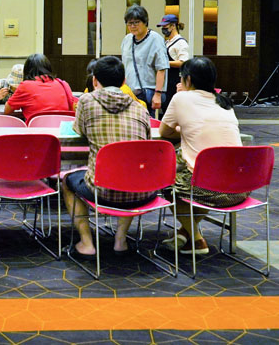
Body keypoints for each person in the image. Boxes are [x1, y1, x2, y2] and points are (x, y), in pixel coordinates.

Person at [62, 56, 152, 256]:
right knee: (130, 173)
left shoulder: (87, 101)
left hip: (101, 189)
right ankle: (120, 240)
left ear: (94, 80)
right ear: (123, 81)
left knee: (67, 180)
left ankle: (87, 243)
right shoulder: (140, 107)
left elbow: (79, 130)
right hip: (141, 190)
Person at [160, 57, 243, 256]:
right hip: (240, 188)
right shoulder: (225, 102)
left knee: (167, 185)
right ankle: (184, 233)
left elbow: (164, 132)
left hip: (209, 190)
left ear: (187, 79)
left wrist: (184, 128)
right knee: (193, 176)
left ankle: (196, 239)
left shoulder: (181, 98)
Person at [120, 6, 169, 115]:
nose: (132, 26)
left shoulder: (156, 39)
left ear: (145, 22)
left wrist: (158, 94)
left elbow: (161, 68)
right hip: (129, 93)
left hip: (148, 93)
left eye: (136, 22)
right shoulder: (127, 40)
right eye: (129, 23)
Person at [4, 54, 77, 122]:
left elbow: (7, 110)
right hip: (61, 131)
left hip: (37, 133)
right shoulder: (63, 84)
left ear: (26, 70)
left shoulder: (25, 86)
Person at [157, 14, 190, 113]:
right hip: (166, 82)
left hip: (175, 82)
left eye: (165, 26)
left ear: (173, 26)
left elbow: (183, 62)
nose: (163, 29)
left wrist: (165, 63)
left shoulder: (181, 43)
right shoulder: (167, 42)